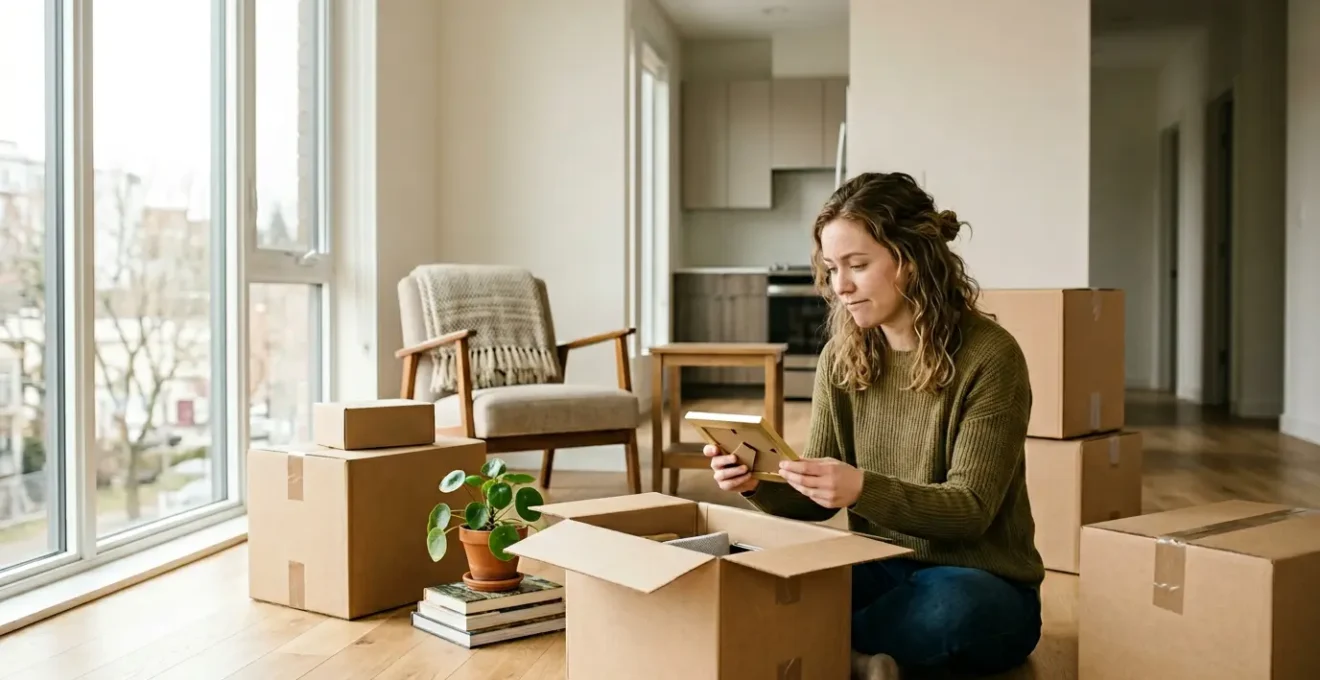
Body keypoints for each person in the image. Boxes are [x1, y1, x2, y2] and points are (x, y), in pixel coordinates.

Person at [704, 172, 1044, 680]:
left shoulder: (992, 356)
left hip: (980, 579)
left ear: (910, 260)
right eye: (831, 268)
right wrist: (758, 483)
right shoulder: (841, 357)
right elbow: (816, 500)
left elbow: (971, 510)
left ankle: (802, 643)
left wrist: (861, 488)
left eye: (857, 266)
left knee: (953, 612)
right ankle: (851, 657)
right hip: (875, 567)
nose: (840, 286)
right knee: (738, 563)